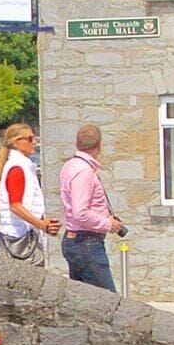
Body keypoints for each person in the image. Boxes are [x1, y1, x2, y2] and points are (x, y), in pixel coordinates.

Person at [58, 122, 123, 290]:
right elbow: (81, 212)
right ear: (99, 146)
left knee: (83, 306)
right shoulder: (84, 171)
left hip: (76, 240)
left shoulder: (69, 166)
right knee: (109, 303)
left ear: (77, 144)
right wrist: (108, 224)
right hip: (86, 242)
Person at [0, 121, 54, 263]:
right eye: (30, 139)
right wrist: (40, 224)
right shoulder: (17, 168)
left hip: (22, 234)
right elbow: (15, 205)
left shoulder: (23, 165)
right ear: (17, 142)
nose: (34, 142)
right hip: (18, 239)